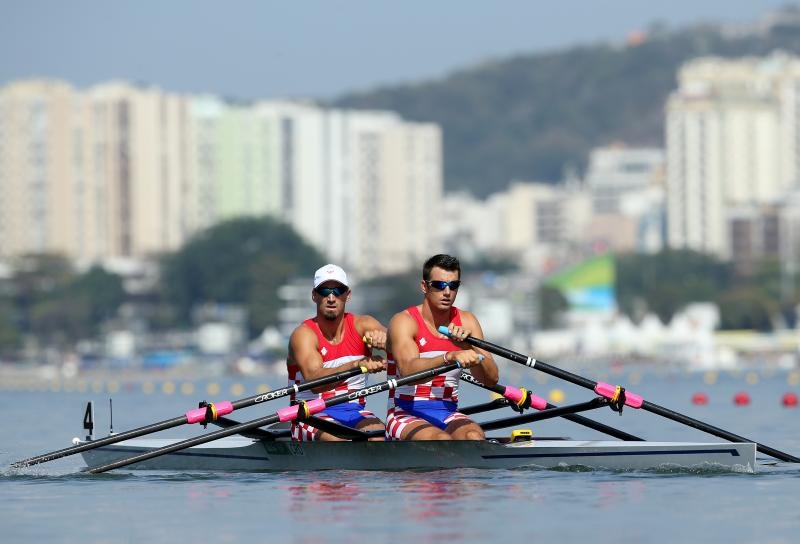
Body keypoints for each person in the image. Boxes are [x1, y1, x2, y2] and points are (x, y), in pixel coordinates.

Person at [385, 254, 499, 440]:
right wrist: (449, 356)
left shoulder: (467, 321)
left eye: (453, 286)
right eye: (439, 285)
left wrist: (468, 346)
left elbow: (491, 380)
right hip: (404, 413)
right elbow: (408, 372)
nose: (447, 292)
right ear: (424, 286)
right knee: (441, 440)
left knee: (473, 437)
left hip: (448, 412)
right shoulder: (404, 321)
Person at [286, 264, 387, 441]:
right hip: (309, 413)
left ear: (347, 295)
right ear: (314, 296)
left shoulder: (363, 325)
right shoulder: (303, 335)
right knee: (340, 442)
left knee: (378, 438)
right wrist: (356, 365)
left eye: (338, 291)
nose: (331, 297)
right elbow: (316, 382)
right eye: (324, 291)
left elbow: (402, 345)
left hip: (354, 412)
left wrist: (386, 341)